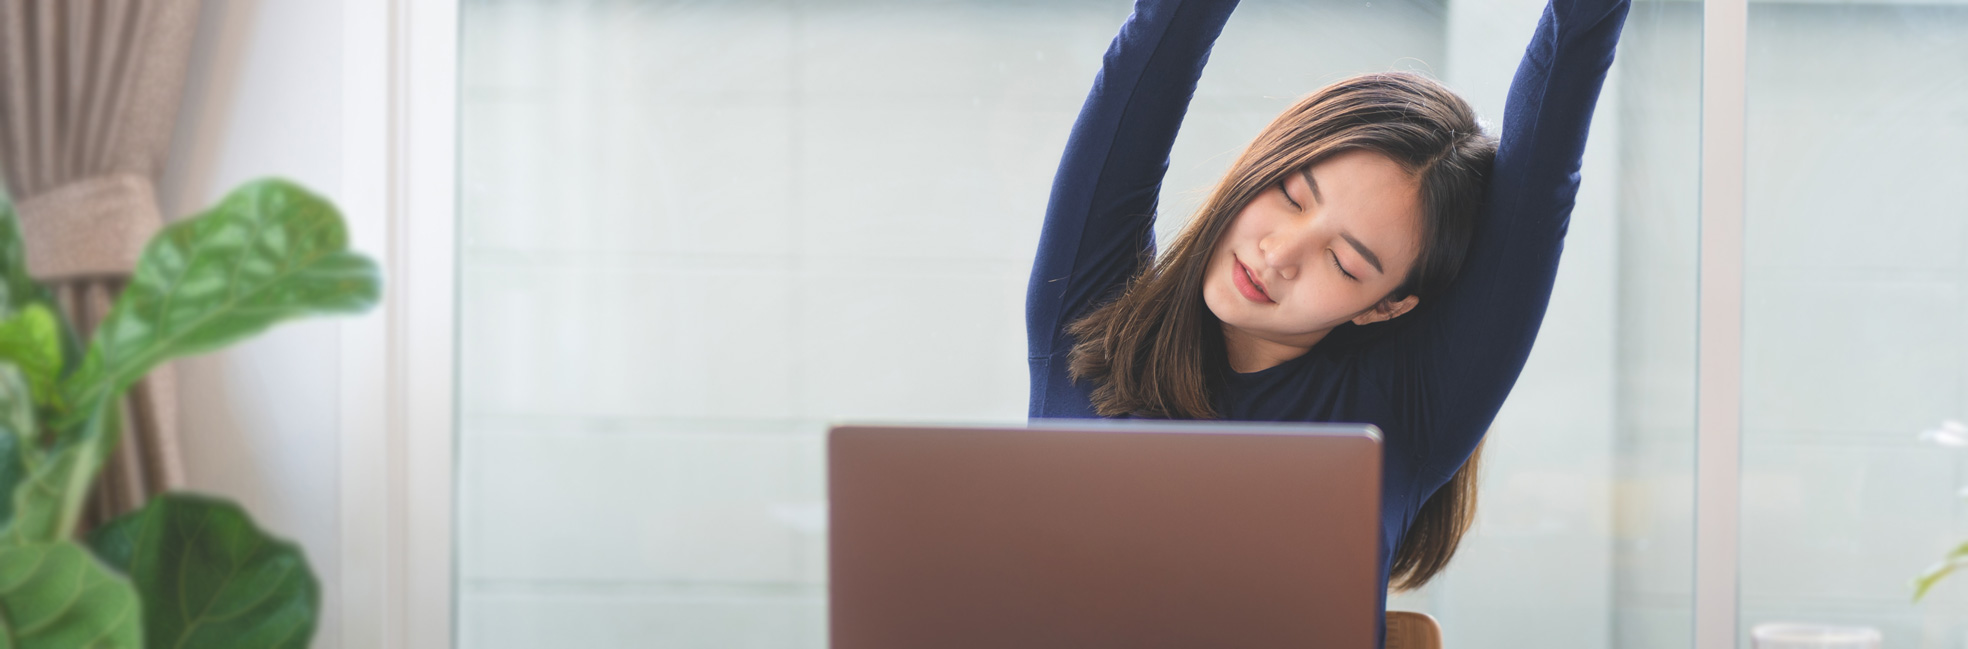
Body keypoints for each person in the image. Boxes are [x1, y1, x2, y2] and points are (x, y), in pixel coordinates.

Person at [1024, 0, 1630, 641]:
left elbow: (1550, 147)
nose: (1279, 254)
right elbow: (1160, 39)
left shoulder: (1407, 412)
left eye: (1344, 262)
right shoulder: (1093, 317)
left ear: (1386, 305)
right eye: (1290, 195)